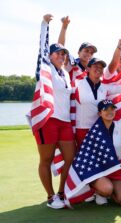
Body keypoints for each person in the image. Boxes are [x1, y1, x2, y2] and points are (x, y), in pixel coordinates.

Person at [32, 14, 75, 209]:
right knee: (46, 159)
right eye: (57, 53)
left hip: (64, 122)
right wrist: (45, 25)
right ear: (49, 56)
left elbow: (61, 47)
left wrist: (65, 27)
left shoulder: (65, 72)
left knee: (70, 158)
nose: (61, 56)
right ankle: (50, 197)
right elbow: (45, 46)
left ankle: (61, 192)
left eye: (63, 54)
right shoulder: (45, 67)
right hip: (47, 120)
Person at [78, 82, 121, 206]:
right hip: (99, 170)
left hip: (114, 168)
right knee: (106, 189)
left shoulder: (120, 125)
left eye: (112, 109)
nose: (109, 112)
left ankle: (110, 192)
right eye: (105, 110)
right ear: (99, 113)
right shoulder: (94, 130)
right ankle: (98, 190)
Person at [74, 58, 121, 149]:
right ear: (88, 68)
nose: (98, 69)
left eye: (101, 67)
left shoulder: (104, 87)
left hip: (99, 130)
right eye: (95, 66)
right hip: (82, 129)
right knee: (84, 161)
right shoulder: (77, 83)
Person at [57, 16, 97, 82]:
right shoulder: (72, 65)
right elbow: (60, 49)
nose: (89, 54)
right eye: (86, 51)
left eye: (91, 53)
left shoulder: (92, 71)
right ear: (78, 53)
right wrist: (64, 28)